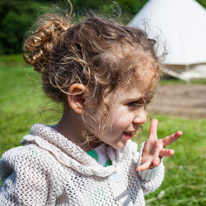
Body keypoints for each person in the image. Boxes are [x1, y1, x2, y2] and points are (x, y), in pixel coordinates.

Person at [0, 10, 182, 206]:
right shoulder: (37, 166)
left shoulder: (120, 150)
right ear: (81, 100)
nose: (143, 117)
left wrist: (147, 165)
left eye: (145, 104)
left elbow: (146, 185)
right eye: (133, 104)